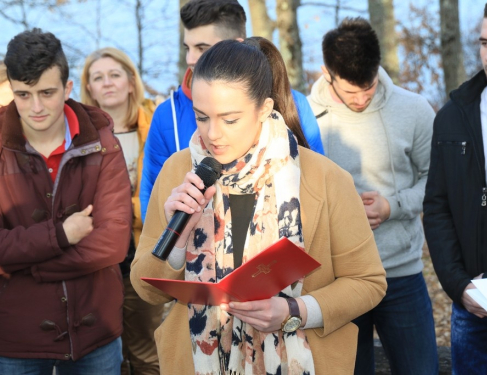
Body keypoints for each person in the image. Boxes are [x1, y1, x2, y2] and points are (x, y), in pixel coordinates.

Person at [130, 38, 387, 374]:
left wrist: (295, 310)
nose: (213, 133)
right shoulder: (179, 171)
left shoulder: (325, 178)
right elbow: (146, 289)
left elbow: (368, 282)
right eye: (201, 117)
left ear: (265, 108)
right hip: (197, 361)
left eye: (230, 119)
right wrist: (178, 243)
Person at [0, 29, 132, 374]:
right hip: (13, 337)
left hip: (94, 332)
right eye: (23, 94)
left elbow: (113, 243)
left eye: (47, 93)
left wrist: (31, 266)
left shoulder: (102, 142)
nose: (35, 107)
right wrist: (62, 235)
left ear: (68, 89)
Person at [307, 17, 438, 375]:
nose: (363, 99)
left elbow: (435, 181)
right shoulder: (304, 119)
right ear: (326, 72)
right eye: (351, 93)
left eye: (370, 87)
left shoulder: (415, 110)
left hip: (402, 275)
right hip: (338, 281)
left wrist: (392, 206)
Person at [139, 0, 324, 222]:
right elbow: (152, 204)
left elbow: (317, 188)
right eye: (202, 117)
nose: (190, 59)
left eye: (202, 48)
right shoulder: (166, 114)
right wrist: (175, 247)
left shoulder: (293, 103)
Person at [80, 47, 162, 375]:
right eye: (98, 77)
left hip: (144, 251)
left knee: (146, 347)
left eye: (114, 75)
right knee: (104, 351)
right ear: (89, 87)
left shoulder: (155, 125)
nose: (107, 83)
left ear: (131, 82)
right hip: (96, 258)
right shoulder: (78, 135)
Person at [423, 4, 487, 373]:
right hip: (473, 306)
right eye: (484, 42)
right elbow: (437, 207)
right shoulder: (453, 115)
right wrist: (458, 286)